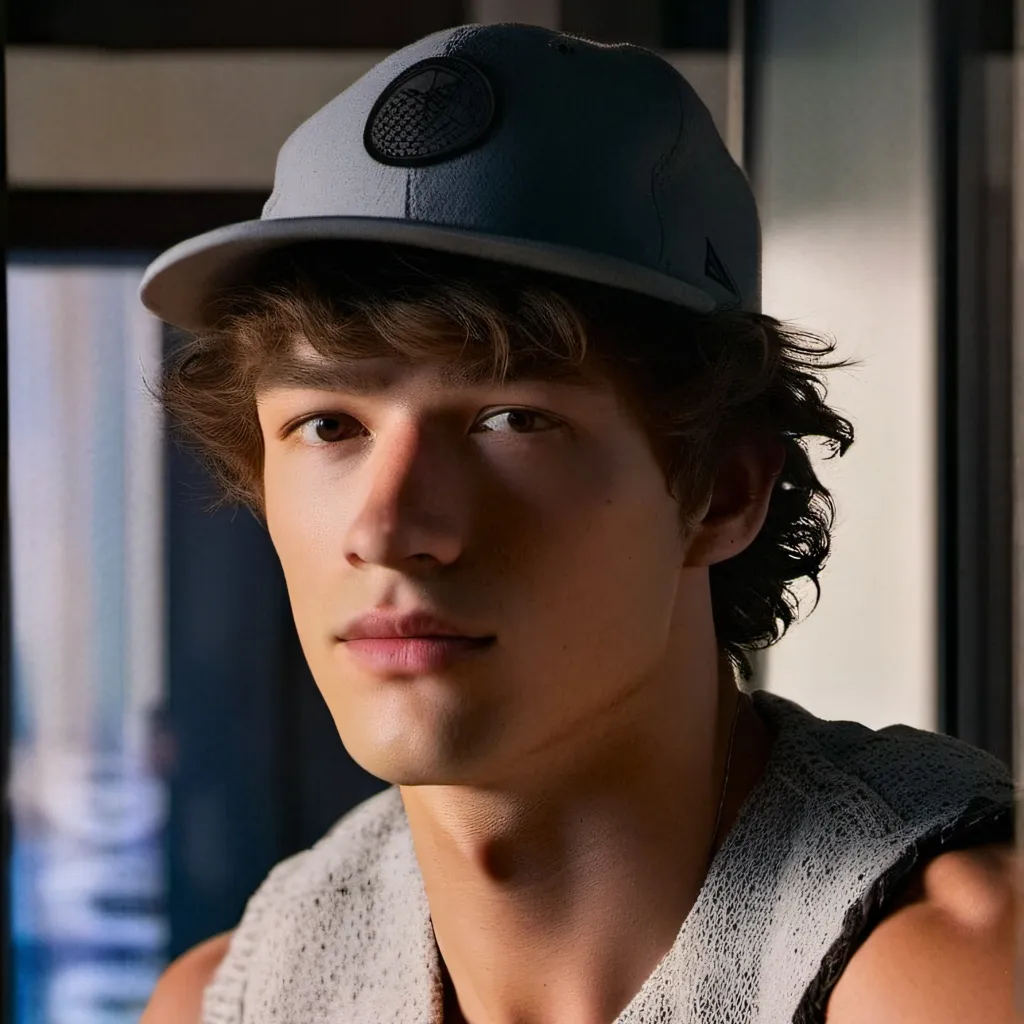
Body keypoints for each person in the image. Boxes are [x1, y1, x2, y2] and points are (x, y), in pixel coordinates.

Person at [137, 23, 1015, 1024]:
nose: (387, 526)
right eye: (328, 424)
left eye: (512, 419)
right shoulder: (240, 999)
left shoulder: (948, 976)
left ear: (725, 490)